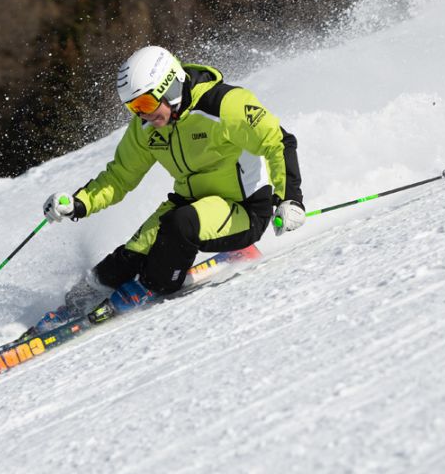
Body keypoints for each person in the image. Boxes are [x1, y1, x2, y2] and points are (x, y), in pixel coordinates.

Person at [43, 46, 305, 312]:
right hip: (187, 204)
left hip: (243, 209)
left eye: (145, 103)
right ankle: (72, 308)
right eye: (133, 108)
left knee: (179, 227)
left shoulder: (223, 105)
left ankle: (152, 285)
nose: (142, 115)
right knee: (123, 261)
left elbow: (278, 142)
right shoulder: (146, 127)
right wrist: (78, 203)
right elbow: (121, 175)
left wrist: (290, 198)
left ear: (170, 88)